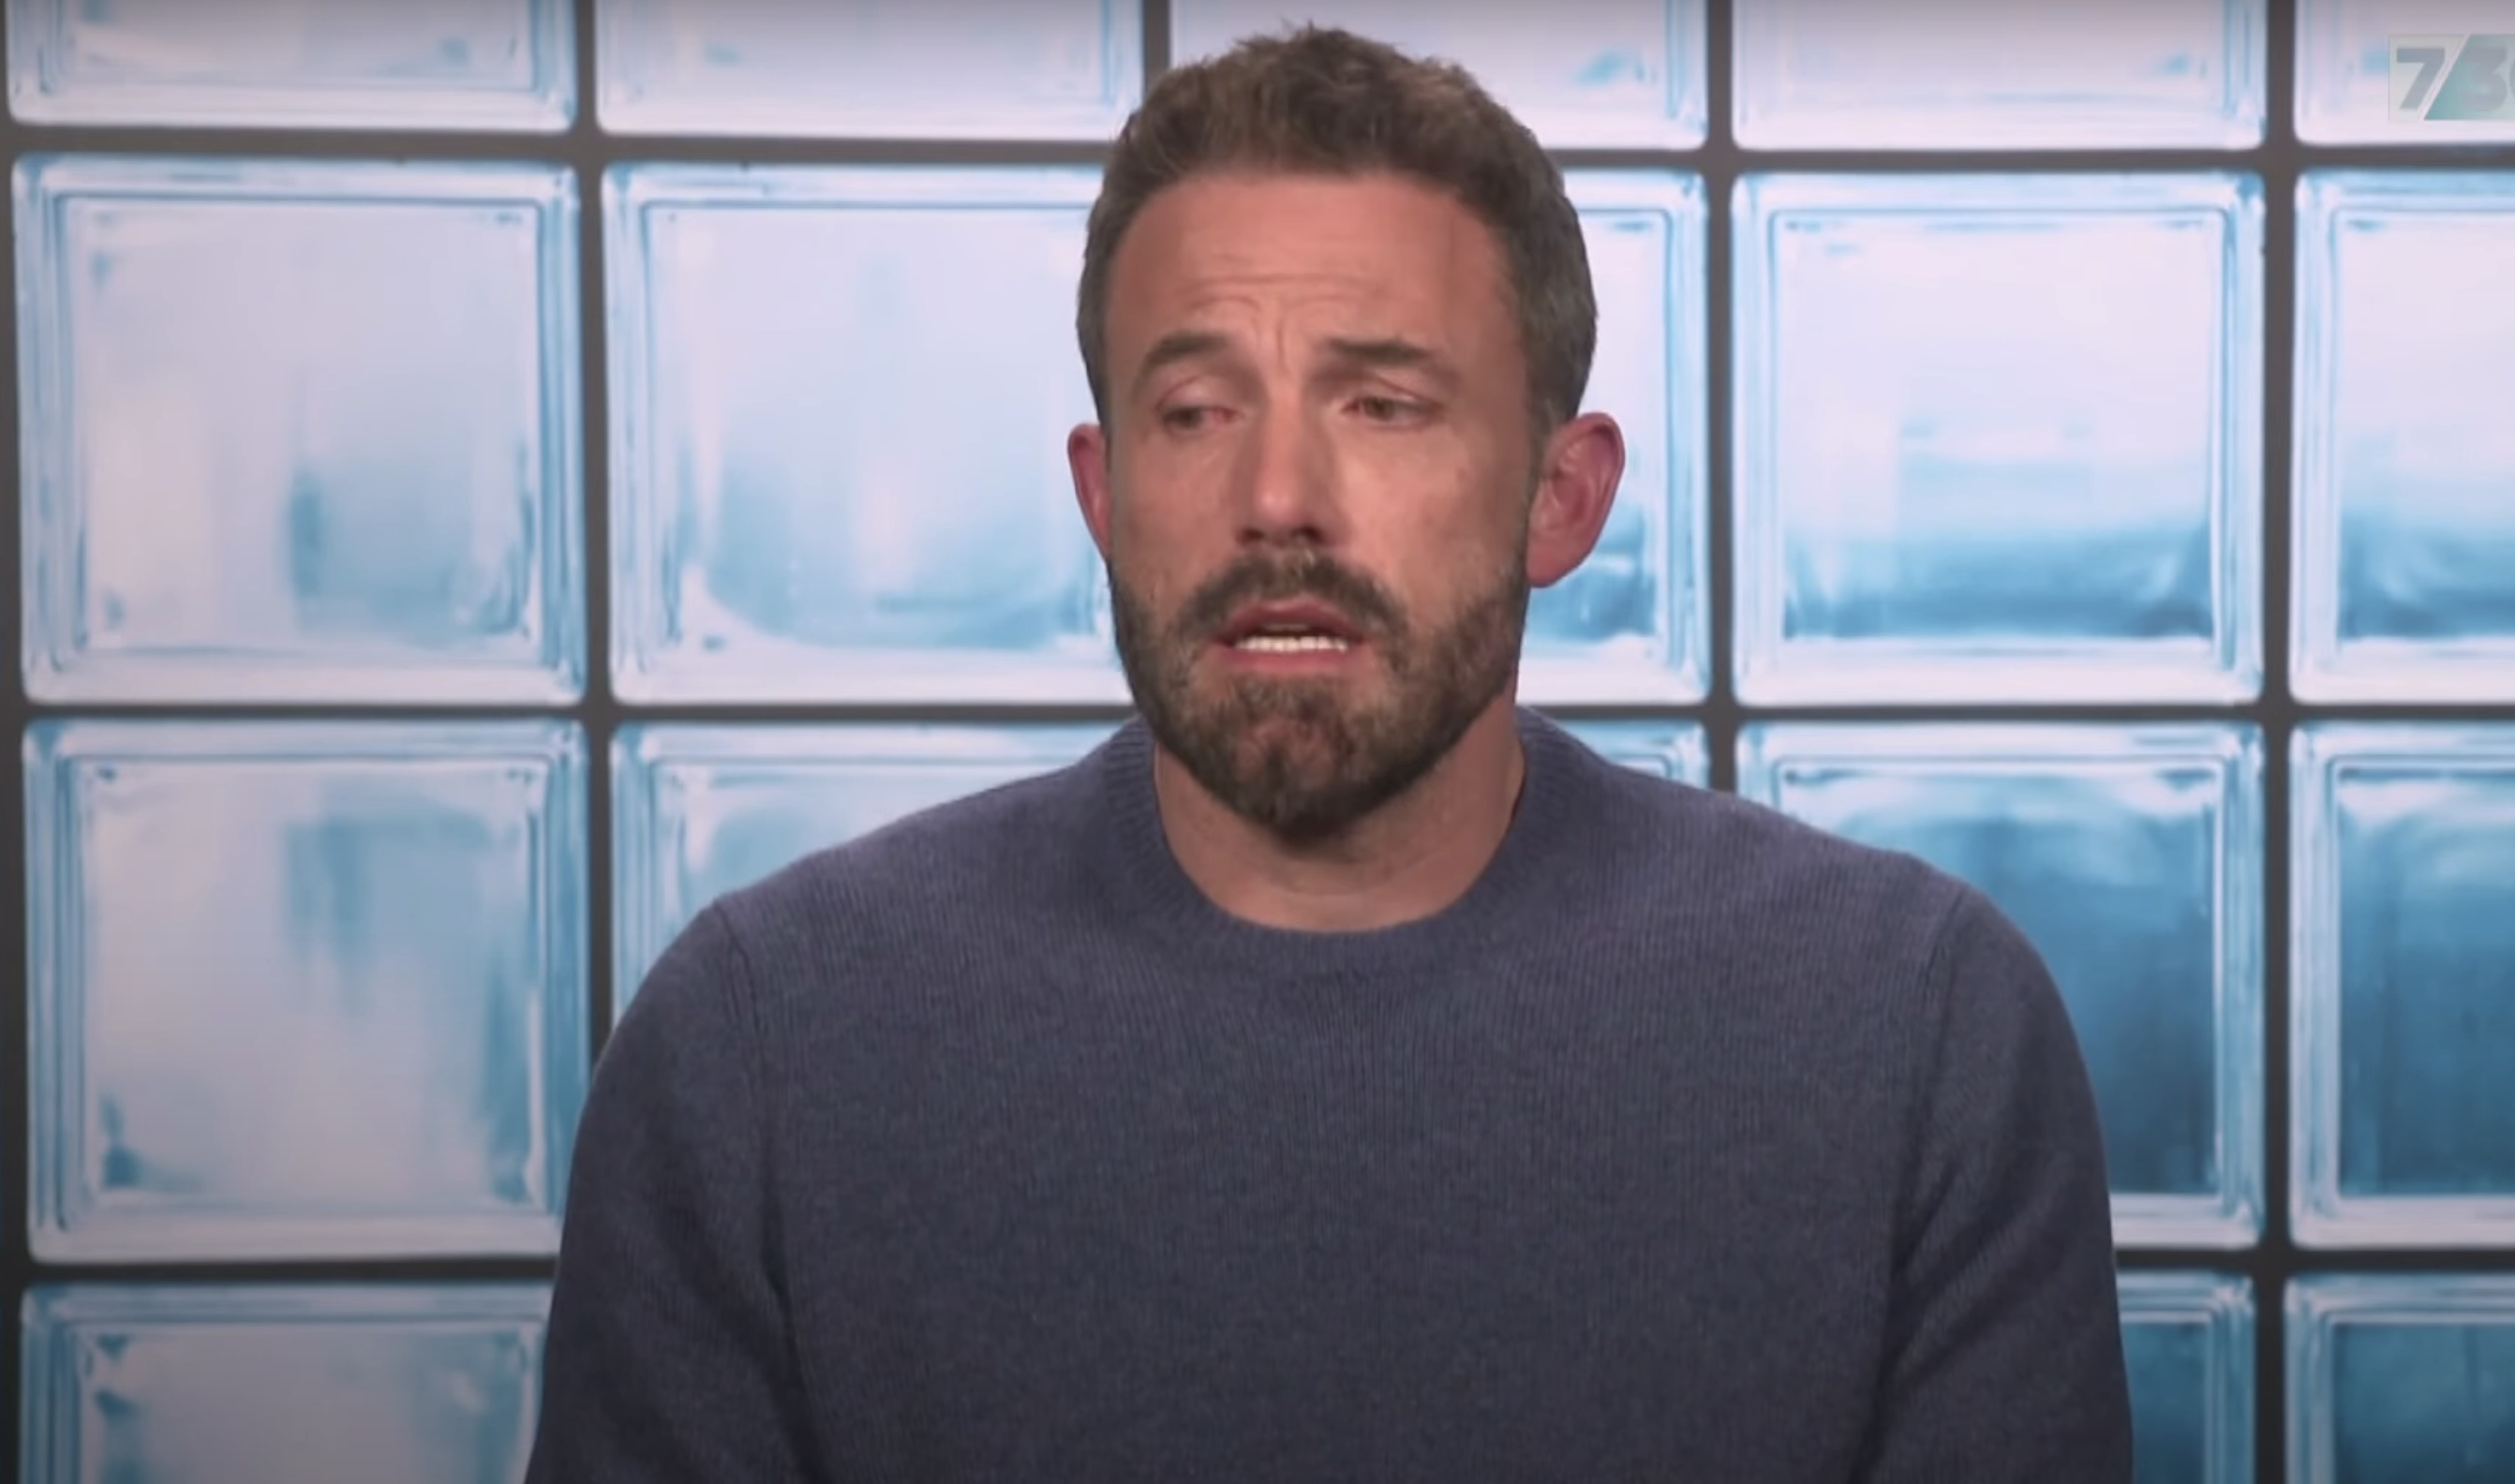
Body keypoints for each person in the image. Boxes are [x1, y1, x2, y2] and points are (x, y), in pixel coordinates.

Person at [525, 24, 2133, 1482]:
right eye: (1194, 412)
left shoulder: (1912, 1027)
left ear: (1559, 498)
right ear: (1102, 498)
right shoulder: (763, 1049)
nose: (1277, 495)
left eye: (1380, 406)